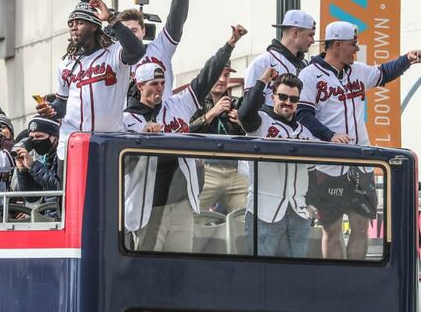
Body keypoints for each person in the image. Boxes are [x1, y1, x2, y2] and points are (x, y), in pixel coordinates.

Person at [296, 20, 421, 259]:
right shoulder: (310, 75)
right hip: (328, 165)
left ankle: (356, 281)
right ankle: (335, 282)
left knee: (361, 226)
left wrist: (407, 59)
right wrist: (330, 136)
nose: (357, 49)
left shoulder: (357, 71)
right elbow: (303, 114)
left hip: (360, 163)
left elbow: (383, 73)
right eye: (353, 44)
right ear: (337, 45)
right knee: (332, 230)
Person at [123, 24, 247, 252]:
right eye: (153, 84)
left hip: (181, 204)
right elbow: (124, 166)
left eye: (162, 83)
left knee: (179, 267)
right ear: (140, 85)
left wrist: (229, 45)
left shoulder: (177, 104)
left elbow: (205, 78)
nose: (159, 89)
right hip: (148, 208)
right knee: (148, 269)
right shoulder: (128, 118)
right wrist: (141, 138)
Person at [36, 0, 146, 167]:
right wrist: (51, 110)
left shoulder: (113, 53)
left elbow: (137, 51)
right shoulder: (66, 63)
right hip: (72, 141)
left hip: (109, 140)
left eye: (79, 23)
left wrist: (111, 19)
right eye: (71, 24)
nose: (74, 28)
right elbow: (62, 104)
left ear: (94, 26)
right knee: (73, 194)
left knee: (106, 194)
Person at [238, 70, 316, 257]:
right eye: (282, 96)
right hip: (264, 212)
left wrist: (312, 207)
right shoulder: (261, 123)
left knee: (294, 277)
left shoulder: (306, 133)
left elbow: (313, 174)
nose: (288, 102)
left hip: (298, 213)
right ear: (273, 97)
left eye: (293, 99)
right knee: (260, 277)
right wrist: (263, 80)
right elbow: (245, 113)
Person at [117, 0, 190, 100]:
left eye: (134, 30)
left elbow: (177, 18)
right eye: (126, 31)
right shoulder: (114, 59)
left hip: (164, 118)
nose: (131, 35)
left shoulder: (160, 48)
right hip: (130, 121)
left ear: (143, 31)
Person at [189, 62, 247, 216]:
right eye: (218, 74)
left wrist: (242, 123)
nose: (222, 79)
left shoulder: (237, 103)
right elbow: (186, 131)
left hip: (236, 172)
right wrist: (212, 113)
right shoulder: (195, 103)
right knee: (194, 216)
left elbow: (254, 133)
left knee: (244, 219)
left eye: (226, 75)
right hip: (207, 170)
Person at [244, 10, 316, 107]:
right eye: (310, 35)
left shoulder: (306, 66)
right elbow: (249, 109)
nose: (313, 41)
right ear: (295, 32)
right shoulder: (262, 62)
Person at [11, 117, 61, 215]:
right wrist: (23, 171)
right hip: (49, 215)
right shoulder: (48, 156)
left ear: (55, 136)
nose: (35, 141)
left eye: (39, 136)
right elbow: (32, 196)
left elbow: (59, 186)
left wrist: (33, 165)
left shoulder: (63, 156)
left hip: (62, 217)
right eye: (32, 137)